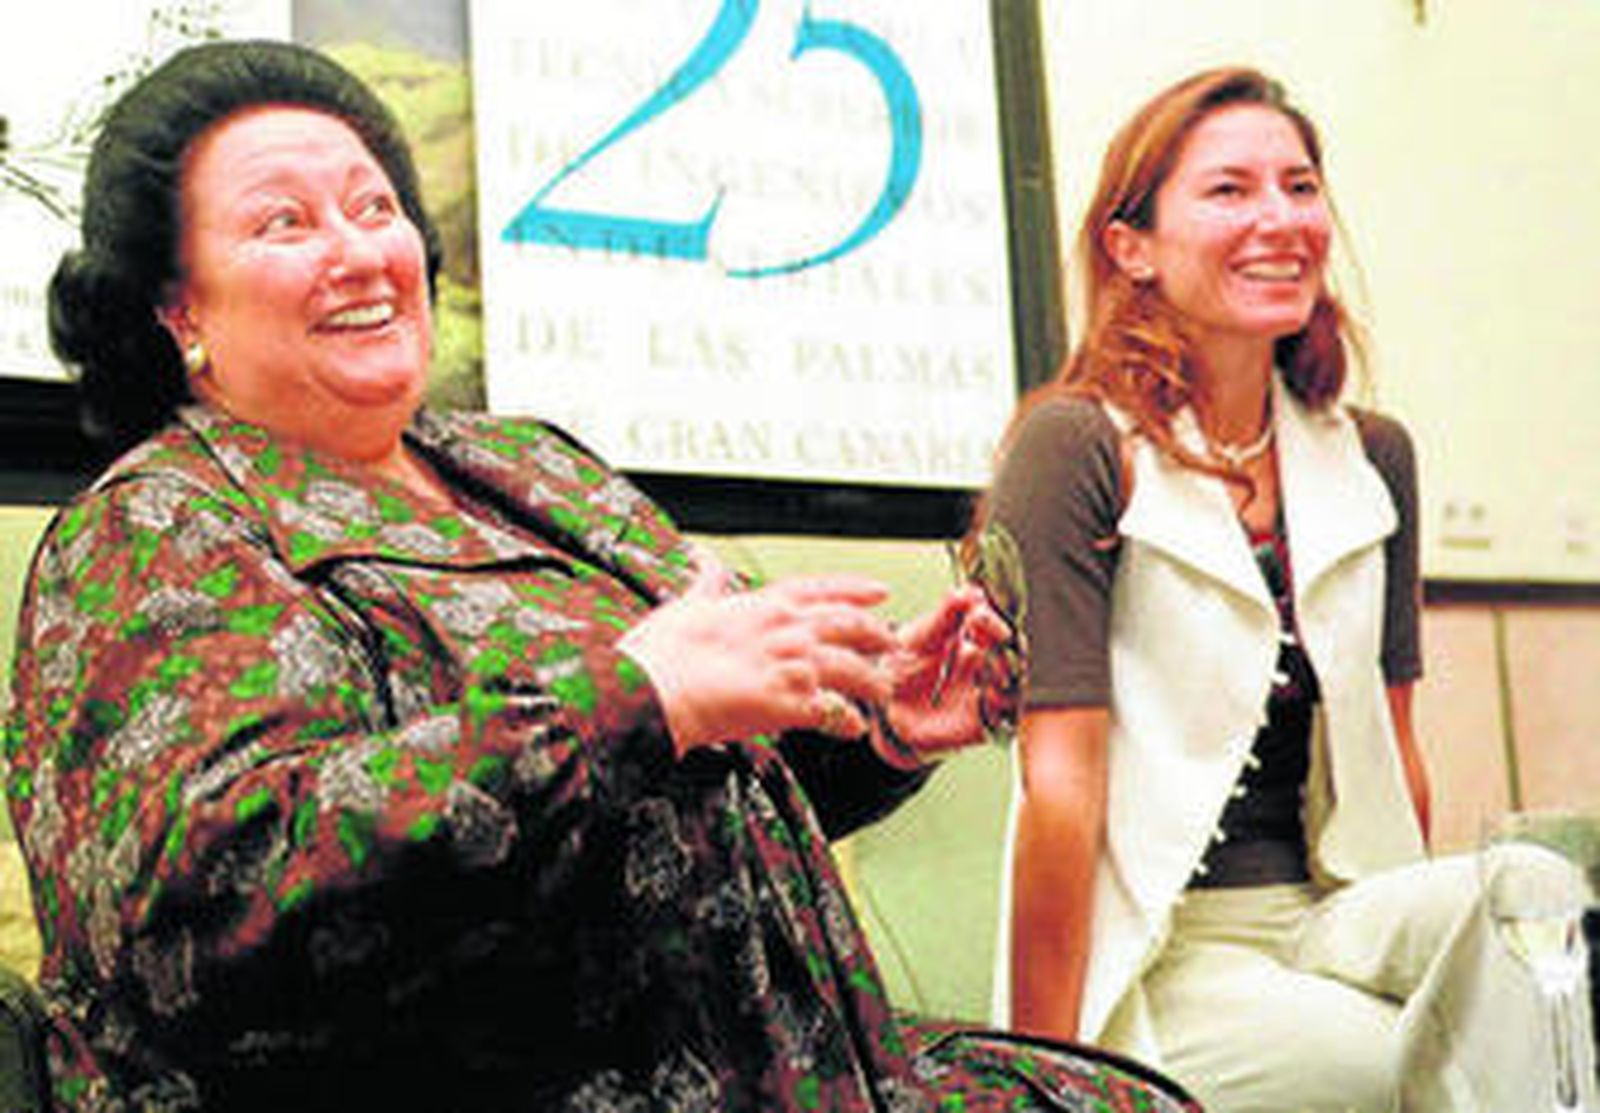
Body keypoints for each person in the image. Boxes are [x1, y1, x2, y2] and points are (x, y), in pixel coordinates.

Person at [3, 39, 1202, 1113]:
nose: (358, 251)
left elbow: (677, 807)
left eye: (375, 207)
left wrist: (872, 734)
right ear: (176, 308)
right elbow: (207, 917)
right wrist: (633, 696)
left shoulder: (530, 466)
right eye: (284, 224)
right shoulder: (155, 528)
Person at [981, 66, 1545, 1112]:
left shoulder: (1372, 457)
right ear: (1131, 247)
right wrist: (1046, 1075)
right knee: (1395, 1065)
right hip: (1170, 942)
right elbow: (1058, 788)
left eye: (1299, 186)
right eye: (1229, 191)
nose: (1279, 219)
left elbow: (1397, 750)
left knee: (1548, 900)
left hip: (1337, 910)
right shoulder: (1075, 447)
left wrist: (1425, 959)